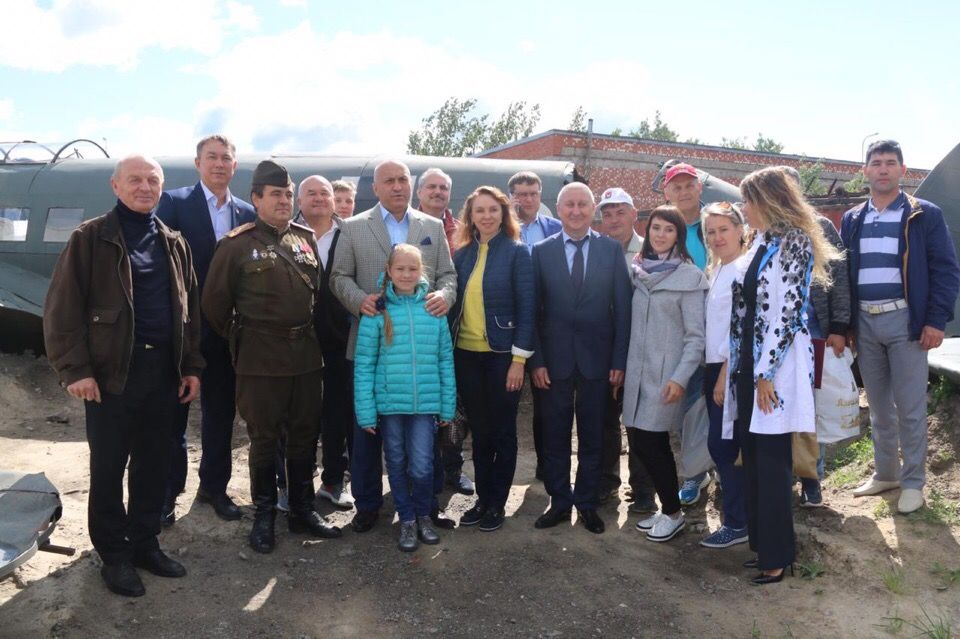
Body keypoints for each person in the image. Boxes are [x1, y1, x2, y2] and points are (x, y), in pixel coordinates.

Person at [43, 155, 203, 597]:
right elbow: (61, 310)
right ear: (116, 186)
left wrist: (191, 366)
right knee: (109, 468)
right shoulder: (91, 239)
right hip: (112, 376)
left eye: (153, 180)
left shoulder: (174, 243)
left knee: (154, 465)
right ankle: (114, 556)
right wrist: (75, 370)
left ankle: (145, 543)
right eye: (135, 180)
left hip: (163, 374)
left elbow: (189, 314)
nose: (144, 187)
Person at [202, 160, 342, 554]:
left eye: (286, 193)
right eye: (274, 194)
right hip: (260, 360)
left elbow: (316, 294)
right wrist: (245, 339)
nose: (282, 200)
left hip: (306, 357)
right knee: (263, 440)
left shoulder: (304, 238)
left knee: (303, 436)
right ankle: (265, 514)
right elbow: (214, 306)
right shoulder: (236, 244)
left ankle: (301, 510)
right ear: (256, 199)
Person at [330, 159, 458, 533]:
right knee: (366, 434)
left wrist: (445, 296)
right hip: (373, 346)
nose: (398, 186)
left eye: (403, 179)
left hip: (420, 354)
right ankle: (368, 505)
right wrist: (359, 301)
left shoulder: (431, 226)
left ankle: (426, 508)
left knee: (423, 439)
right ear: (375, 187)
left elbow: (449, 274)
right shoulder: (353, 228)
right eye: (390, 180)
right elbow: (338, 277)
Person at [725, 166, 838, 584]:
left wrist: (765, 373)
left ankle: (778, 556)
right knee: (751, 459)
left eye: (747, 201)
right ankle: (762, 545)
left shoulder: (795, 242)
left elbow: (788, 314)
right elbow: (745, 310)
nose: (743, 209)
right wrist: (741, 368)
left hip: (774, 370)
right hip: (747, 369)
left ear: (768, 201)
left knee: (772, 463)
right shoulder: (759, 241)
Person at [841, 140, 960, 514]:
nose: (883, 169)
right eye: (876, 163)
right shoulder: (853, 218)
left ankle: (913, 483)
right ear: (866, 171)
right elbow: (843, 274)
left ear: (902, 171)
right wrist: (846, 325)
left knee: (909, 407)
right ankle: (886, 473)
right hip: (865, 321)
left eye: (891, 163)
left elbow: (945, 269)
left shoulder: (924, 214)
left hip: (906, 322)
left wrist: (935, 320)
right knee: (878, 406)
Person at [157, 135, 255, 526]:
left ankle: (214, 488)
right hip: (183, 330)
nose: (219, 164)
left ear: (234, 166)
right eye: (211, 157)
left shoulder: (247, 212)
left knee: (220, 414)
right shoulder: (175, 203)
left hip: (225, 331)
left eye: (225, 158)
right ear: (197, 163)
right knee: (174, 414)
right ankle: (167, 492)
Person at [530, 183, 631, 535]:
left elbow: (623, 310)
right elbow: (534, 312)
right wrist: (536, 361)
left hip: (598, 363)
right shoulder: (541, 252)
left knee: (593, 437)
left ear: (593, 210)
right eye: (569, 205)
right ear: (558, 210)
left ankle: (586, 502)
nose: (576, 211)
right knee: (555, 435)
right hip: (553, 363)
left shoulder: (611, 251)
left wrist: (619, 360)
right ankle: (559, 501)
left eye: (582, 205)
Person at [353, 244, 457, 552]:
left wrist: (447, 405)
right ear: (389, 272)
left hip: (425, 406)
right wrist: (366, 412)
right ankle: (408, 519)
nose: (407, 274)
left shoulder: (432, 309)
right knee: (396, 462)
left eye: (413, 269)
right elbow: (364, 365)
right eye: (400, 269)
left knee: (423, 465)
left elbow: (444, 361)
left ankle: (424, 513)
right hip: (389, 406)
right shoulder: (377, 312)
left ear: (422, 271)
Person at [449, 186, 535, 531]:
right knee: (479, 433)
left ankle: (497, 503)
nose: (486, 216)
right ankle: (482, 499)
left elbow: (528, 310)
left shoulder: (517, 253)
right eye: (479, 211)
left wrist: (519, 361)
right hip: (467, 356)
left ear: (503, 214)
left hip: (503, 358)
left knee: (502, 432)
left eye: (492, 210)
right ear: (470, 216)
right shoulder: (462, 254)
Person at [622, 206, 707, 543]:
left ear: (679, 236)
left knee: (653, 441)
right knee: (639, 438)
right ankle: (667, 507)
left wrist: (680, 378)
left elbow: (696, 337)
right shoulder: (637, 271)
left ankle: (673, 513)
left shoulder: (689, 277)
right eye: (655, 228)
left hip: (666, 376)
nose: (660, 235)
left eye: (668, 230)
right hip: (635, 372)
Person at [779, 165, 851, 508]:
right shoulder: (765, 229)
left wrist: (839, 327)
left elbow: (839, 276)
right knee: (778, 404)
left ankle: (811, 477)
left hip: (816, 331)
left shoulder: (819, 227)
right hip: (776, 339)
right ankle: (781, 473)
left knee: (810, 407)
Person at [294, 175, 355, 509]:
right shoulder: (283, 234)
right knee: (294, 415)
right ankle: (291, 484)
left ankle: (334, 480)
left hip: (339, 339)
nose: (318, 198)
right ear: (299, 201)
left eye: (324, 193)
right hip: (293, 341)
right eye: (310, 193)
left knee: (337, 413)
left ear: (335, 199)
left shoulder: (353, 234)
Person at [596, 187, 656, 513]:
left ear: (635, 215)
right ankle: (607, 483)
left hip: (641, 351)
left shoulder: (649, 252)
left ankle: (643, 490)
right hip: (604, 352)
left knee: (639, 422)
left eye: (620, 211)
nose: (614, 219)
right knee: (606, 420)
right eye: (607, 213)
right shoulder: (596, 251)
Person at [416, 167, 475, 497]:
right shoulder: (408, 226)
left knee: (455, 404)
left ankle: (453, 467)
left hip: (456, 330)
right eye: (432, 187)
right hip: (418, 331)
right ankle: (419, 469)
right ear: (420, 192)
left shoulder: (464, 230)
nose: (438, 192)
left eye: (443, 188)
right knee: (420, 400)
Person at [662, 162, 713, 506]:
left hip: (719, 326)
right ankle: (695, 475)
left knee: (720, 402)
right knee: (686, 403)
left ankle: (723, 466)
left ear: (699, 188)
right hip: (679, 332)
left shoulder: (717, 222)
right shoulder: (665, 228)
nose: (683, 192)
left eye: (688, 185)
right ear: (667, 193)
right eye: (675, 187)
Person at [699, 202, 749, 548]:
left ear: (740, 230)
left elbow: (741, 329)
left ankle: (738, 521)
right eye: (710, 232)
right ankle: (737, 515)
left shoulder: (744, 269)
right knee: (720, 445)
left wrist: (724, 376)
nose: (717, 237)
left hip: (730, 368)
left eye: (723, 229)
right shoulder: (716, 269)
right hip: (712, 366)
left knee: (724, 444)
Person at [508, 171, 562, 480]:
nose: (527, 200)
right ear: (512, 197)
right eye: (521, 194)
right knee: (507, 398)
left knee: (546, 401)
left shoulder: (555, 228)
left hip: (546, 325)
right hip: (509, 323)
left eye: (533, 193)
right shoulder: (502, 230)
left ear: (540, 195)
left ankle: (546, 465)